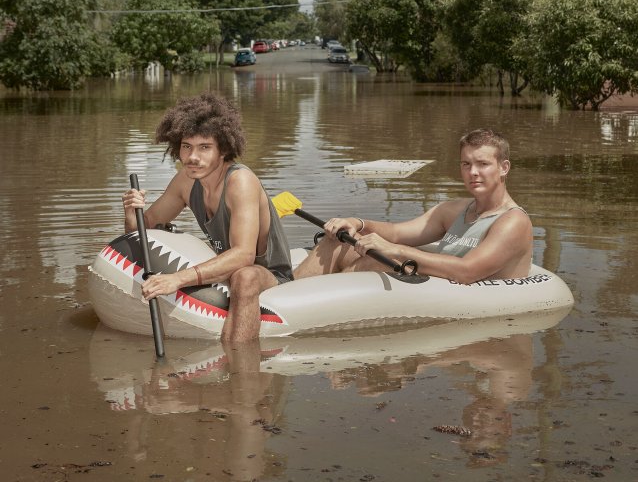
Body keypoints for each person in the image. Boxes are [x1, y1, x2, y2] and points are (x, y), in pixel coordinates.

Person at [121, 92, 293, 344]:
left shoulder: (240, 181)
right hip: (225, 270)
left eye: (204, 148)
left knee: (244, 276)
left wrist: (177, 279)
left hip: (269, 273)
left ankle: (240, 373)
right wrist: (130, 211)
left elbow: (244, 256)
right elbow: (143, 228)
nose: (192, 157)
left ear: (223, 149)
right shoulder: (186, 181)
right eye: (186, 146)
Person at [293, 128, 532, 283]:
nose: (473, 172)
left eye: (483, 164)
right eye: (466, 164)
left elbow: (468, 271)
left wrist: (397, 251)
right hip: (437, 282)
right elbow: (398, 233)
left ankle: (307, 306)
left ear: (504, 168)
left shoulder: (513, 222)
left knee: (376, 258)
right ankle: (280, 299)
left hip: (464, 293)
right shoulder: (455, 210)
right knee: (338, 241)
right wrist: (357, 223)